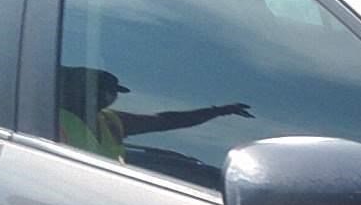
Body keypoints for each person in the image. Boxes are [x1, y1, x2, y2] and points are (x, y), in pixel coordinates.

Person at [57, 65, 251, 162]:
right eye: (106, 91)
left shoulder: (110, 121)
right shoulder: (54, 118)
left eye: (114, 93)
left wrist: (218, 111)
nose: (111, 97)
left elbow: (165, 121)